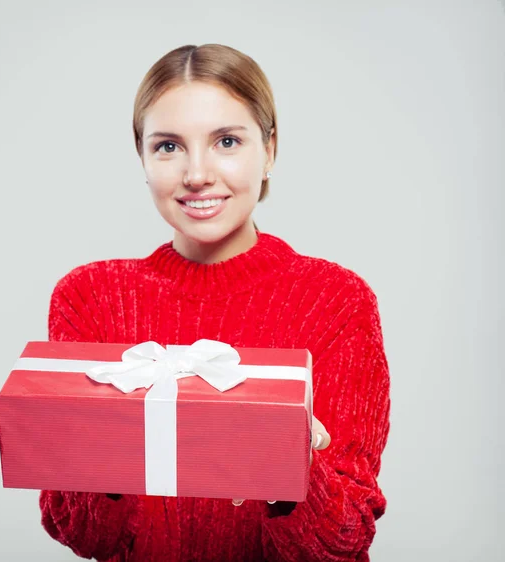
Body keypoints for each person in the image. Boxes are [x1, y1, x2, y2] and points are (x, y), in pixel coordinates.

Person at [39, 43, 391, 562]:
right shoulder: (89, 299)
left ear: (269, 150)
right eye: (168, 146)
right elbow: (78, 531)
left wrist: (290, 464)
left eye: (226, 140)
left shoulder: (337, 302)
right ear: (141, 156)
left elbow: (344, 540)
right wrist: (105, 449)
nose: (197, 173)